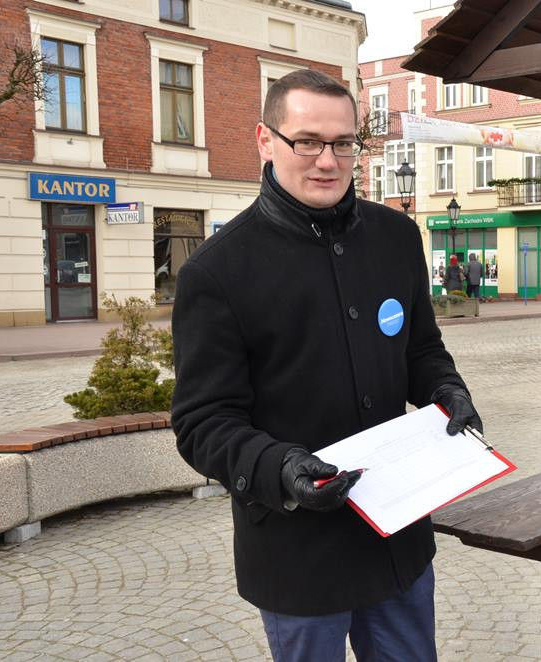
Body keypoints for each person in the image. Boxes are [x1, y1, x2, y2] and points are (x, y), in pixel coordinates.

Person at [171, 69, 482, 662]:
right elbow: (203, 422)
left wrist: (447, 389)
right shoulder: (216, 272)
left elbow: (420, 348)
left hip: (396, 537)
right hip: (297, 549)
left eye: (343, 143)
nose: (327, 161)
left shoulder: (395, 237)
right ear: (265, 140)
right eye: (307, 141)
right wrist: (281, 468)